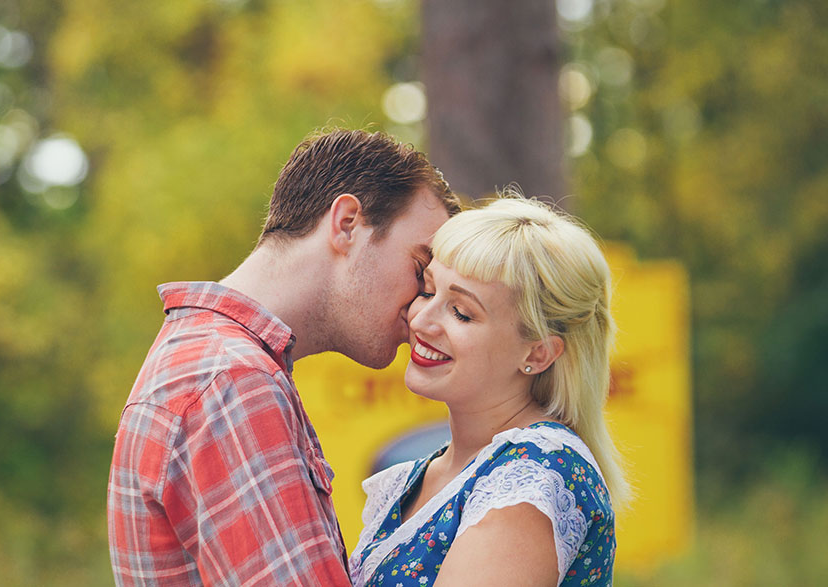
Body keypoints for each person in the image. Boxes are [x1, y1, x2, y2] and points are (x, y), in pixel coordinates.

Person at [107, 128, 462, 586]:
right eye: (419, 269)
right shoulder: (232, 380)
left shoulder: (215, 363)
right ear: (347, 223)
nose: (420, 310)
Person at [349, 193, 630, 587]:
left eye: (461, 312)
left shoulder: (534, 474)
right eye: (427, 291)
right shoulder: (420, 475)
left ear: (538, 353)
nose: (421, 321)